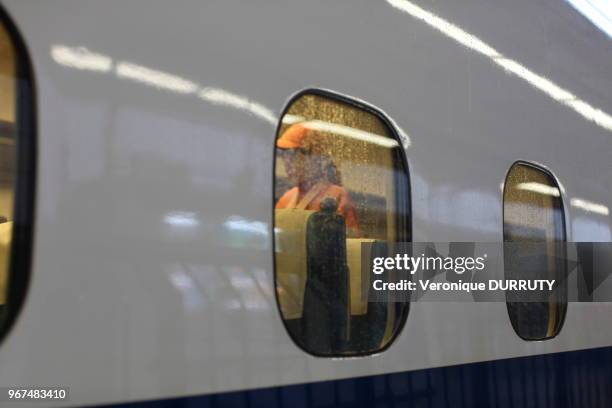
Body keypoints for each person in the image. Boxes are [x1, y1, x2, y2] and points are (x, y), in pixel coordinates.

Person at [275, 123, 360, 236]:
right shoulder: (286, 198)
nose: (287, 163)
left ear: (314, 157)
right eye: (285, 156)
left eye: (293, 155)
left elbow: (349, 247)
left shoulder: (337, 196)